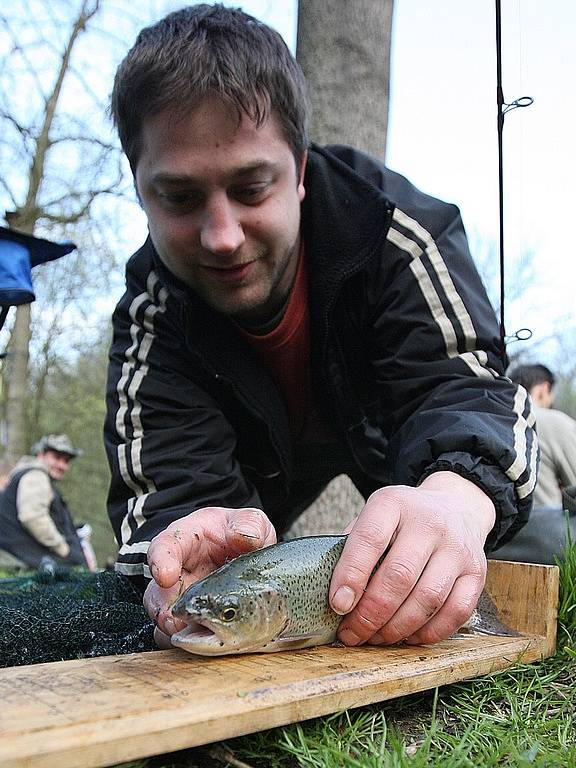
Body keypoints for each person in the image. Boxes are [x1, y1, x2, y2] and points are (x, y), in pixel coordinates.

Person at [104, 4, 536, 650]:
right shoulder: (151, 322)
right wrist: (178, 557)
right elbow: (164, 505)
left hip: (405, 446)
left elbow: (471, 390)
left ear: (300, 172)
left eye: (251, 188)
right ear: (141, 192)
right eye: (181, 197)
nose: (223, 238)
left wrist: (457, 501)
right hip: (251, 501)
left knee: (535, 535)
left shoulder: (397, 232)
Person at [490, 364, 576, 564]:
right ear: (543, 389)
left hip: (490, 544)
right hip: (546, 550)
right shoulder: (556, 422)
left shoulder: (490, 417)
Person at [0, 434, 88, 570]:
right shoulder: (36, 476)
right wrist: (64, 550)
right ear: (41, 455)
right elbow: (32, 517)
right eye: (57, 458)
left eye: (66, 461)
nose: (62, 465)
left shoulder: (28, 475)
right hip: (24, 554)